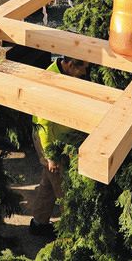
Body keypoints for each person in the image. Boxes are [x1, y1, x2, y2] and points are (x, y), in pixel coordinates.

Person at [29, 55, 90, 236]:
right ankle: (70, 232)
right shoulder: (51, 84)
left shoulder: (62, 73)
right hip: (51, 144)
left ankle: (39, 223)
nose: (85, 72)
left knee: (48, 184)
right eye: (82, 68)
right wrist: (50, 157)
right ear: (70, 64)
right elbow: (44, 126)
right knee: (64, 190)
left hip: (58, 140)